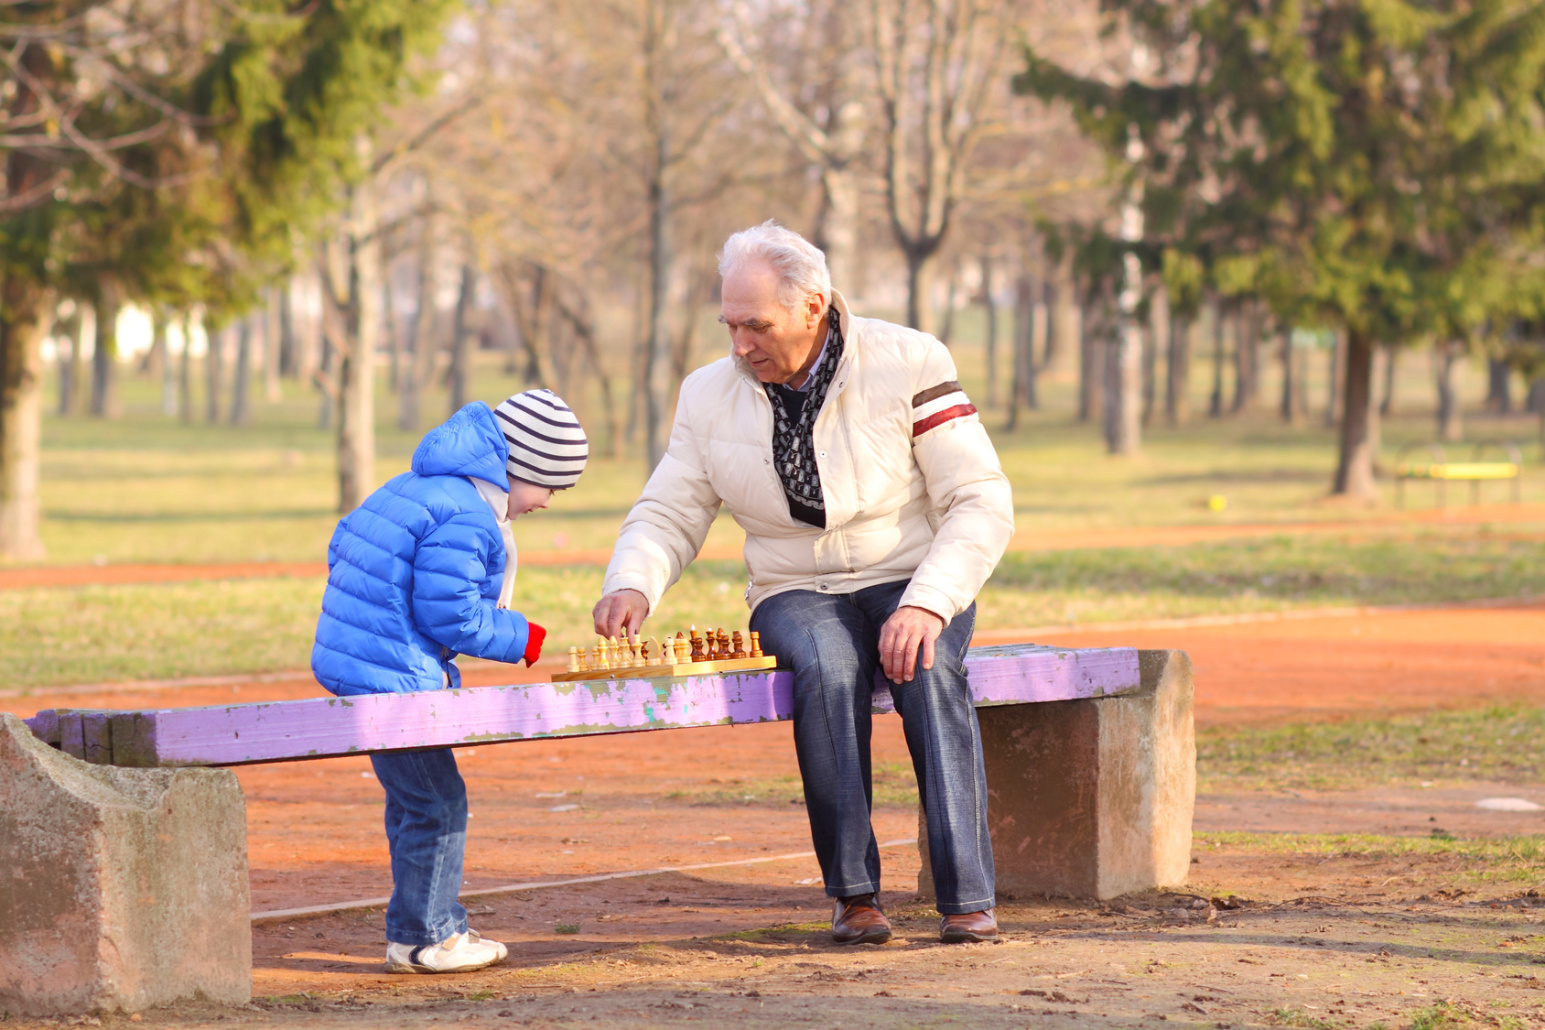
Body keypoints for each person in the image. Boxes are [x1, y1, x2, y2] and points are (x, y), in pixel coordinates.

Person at [593, 222, 1014, 945]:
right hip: (792, 588)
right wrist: (632, 581)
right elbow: (670, 508)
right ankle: (855, 896)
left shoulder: (909, 360)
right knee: (827, 663)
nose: (740, 344)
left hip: (907, 575)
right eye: (729, 324)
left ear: (813, 307)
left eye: (757, 325)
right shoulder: (705, 395)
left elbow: (980, 500)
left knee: (927, 666)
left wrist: (925, 604)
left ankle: (965, 897)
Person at [312, 390, 588, 973]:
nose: (549, 502)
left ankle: (431, 920)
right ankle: (423, 937)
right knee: (437, 804)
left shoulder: (421, 484)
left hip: (369, 664)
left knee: (415, 800)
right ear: (522, 468)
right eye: (550, 487)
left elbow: (346, 546)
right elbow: (451, 615)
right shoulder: (464, 512)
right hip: (395, 680)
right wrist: (522, 637)